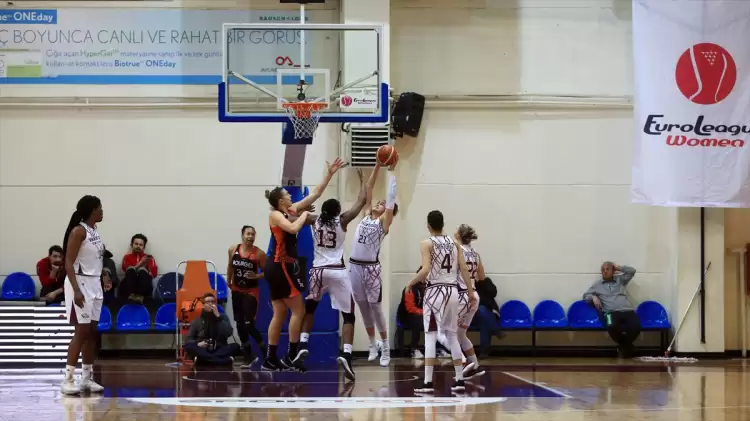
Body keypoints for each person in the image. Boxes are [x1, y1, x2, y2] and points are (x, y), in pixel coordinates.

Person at [262, 157, 346, 372]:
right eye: (287, 194)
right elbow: (292, 229)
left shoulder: (289, 211)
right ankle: (291, 356)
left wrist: (330, 173)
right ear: (281, 201)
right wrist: (305, 214)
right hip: (280, 266)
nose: (291, 195)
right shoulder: (275, 215)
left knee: (280, 312)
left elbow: (315, 193)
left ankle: (271, 359)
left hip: (280, 266)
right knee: (298, 311)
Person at [300, 168, 370, 381]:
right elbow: (361, 201)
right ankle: (347, 354)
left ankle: (303, 344)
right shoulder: (343, 220)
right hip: (337, 271)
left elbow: (292, 213)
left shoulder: (313, 219)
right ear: (338, 210)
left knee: (310, 309)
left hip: (317, 271)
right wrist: (362, 179)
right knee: (348, 315)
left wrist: (305, 207)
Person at [408, 210, 475, 394]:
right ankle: (460, 380)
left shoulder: (426, 243)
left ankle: (428, 382)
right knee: (452, 335)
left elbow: (425, 269)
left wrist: (410, 282)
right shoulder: (455, 243)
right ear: (442, 224)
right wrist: (469, 292)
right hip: (452, 291)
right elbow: (463, 269)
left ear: (428, 225)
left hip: (435, 291)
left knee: (430, 335)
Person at [349, 162, 398, 367]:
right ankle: (372, 343)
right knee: (362, 306)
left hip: (371, 269)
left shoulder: (384, 224)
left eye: (383, 204)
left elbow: (391, 201)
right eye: (379, 202)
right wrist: (377, 166)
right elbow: (369, 189)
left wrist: (392, 172)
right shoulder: (367, 215)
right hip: (354, 266)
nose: (379, 203)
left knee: (376, 309)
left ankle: (386, 347)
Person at [60, 195, 109, 395]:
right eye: (100, 208)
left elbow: (95, 259)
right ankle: (68, 379)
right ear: (92, 211)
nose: (102, 211)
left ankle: (86, 379)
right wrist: (77, 290)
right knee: (81, 332)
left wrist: (104, 274)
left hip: (94, 282)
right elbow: (68, 263)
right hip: (79, 282)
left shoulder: (94, 231)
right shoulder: (78, 231)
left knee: (92, 334)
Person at [226, 225, 267, 367]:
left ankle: (266, 355)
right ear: (242, 235)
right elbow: (230, 266)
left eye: (253, 234)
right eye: (248, 234)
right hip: (237, 290)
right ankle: (248, 356)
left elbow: (269, 272)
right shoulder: (233, 249)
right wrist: (228, 280)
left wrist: (257, 275)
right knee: (239, 324)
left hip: (251, 292)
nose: (250, 236)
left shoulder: (259, 254)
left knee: (249, 324)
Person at [583, 262, 640, 357]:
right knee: (611, 326)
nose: (605, 271)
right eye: (603, 270)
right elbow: (585, 296)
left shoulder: (620, 280)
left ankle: (623, 346)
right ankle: (627, 347)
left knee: (636, 326)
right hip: (610, 312)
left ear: (613, 271)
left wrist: (618, 267)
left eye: (607, 269)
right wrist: (592, 297)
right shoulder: (597, 285)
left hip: (627, 310)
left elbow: (632, 271)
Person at [454, 224, 486, 379]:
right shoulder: (476, 254)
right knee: (461, 334)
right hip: (474, 295)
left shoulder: (457, 251)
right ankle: (476, 366)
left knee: (448, 333)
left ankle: (465, 362)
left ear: (459, 235)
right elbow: (482, 277)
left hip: (461, 295)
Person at [183, 292, 240, 366]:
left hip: (220, 347)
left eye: (212, 302)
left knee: (236, 346)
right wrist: (198, 343)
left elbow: (229, 333)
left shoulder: (223, 317)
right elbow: (189, 339)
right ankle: (222, 361)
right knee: (188, 346)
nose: (210, 304)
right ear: (203, 305)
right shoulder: (197, 321)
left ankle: (203, 361)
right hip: (203, 349)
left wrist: (218, 318)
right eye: (208, 302)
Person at [120, 234, 158, 304]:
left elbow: (153, 274)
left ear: (143, 247)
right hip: (129, 288)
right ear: (132, 245)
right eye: (136, 244)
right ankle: (132, 296)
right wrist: (141, 263)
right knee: (131, 270)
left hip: (144, 289)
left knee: (142, 271)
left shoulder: (149, 258)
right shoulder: (127, 257)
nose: (138, 246)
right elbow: (126, 269)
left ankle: (140, 296)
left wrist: (146, 268)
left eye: (141, 245)